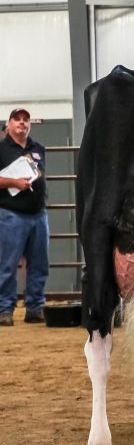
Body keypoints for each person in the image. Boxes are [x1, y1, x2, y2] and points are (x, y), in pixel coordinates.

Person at [0, 108, 49, 327]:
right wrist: (14, 183)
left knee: (39, 264)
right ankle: (4, 309)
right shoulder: (1, 149)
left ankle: (35, 308)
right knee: (8, 264)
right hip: (11, 214)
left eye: (25, 120)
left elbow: (41, 172)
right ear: (9, 124)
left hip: (39, 214)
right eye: (17, 119)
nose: (22, 123)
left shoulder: (37, 148)